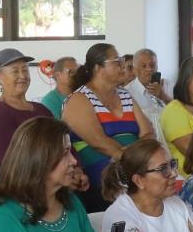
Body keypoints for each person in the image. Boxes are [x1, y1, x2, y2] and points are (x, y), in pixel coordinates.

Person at [61, 43, 154, 188]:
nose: (122, 65)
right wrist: (135, 160)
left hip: (133, 167)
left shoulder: (125, 95)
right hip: (100, 176)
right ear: (99, 68)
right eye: (117, 61)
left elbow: (147, 132)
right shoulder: (78, 99)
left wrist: (138, 160)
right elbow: (99, 142)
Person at [0, 49, 54, 166]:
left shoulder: (41, 109)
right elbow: (12, 162)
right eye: (15, 71)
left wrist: (76, 168)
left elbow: (62, 141)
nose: (22, 76)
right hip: (26, 179)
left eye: (25, 70)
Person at [125, 48, 172, 118]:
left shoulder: (167, 85)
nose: (149, 69)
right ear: (134, 70)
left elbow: (181, 111)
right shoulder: (127, 93)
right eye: (143, 66)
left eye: (152, 65)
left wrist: (163, 96)